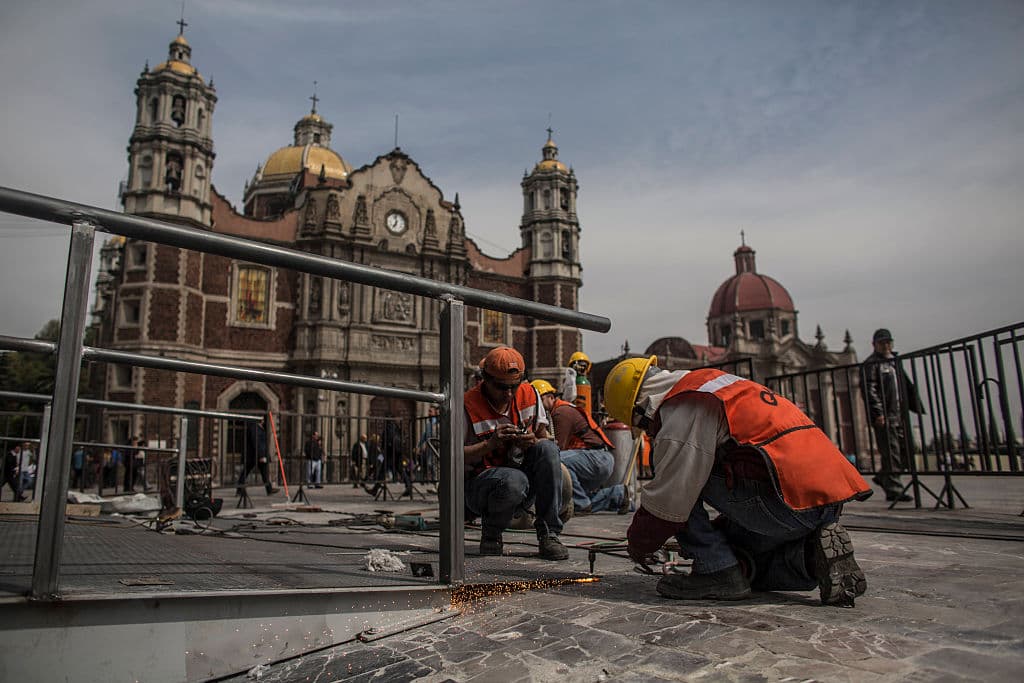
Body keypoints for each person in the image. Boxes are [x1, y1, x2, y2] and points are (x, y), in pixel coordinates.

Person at [603, 356, 871, 605]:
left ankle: (716, 569)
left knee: (680, 474)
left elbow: (669, 501)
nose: (650, 431)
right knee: (742, 560)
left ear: (640, 409)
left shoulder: (684, 406)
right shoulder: (711, 383)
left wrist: (639, 544)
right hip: (823, 499)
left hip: (787, 502)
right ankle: (812, 560)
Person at [464, 346, 568, 561]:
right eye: (501, 387)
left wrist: (532, 441)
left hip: (521, 480)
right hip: (479, 487)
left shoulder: (529, 394)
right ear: (485, 379)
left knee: (547, 449)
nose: (509, 394)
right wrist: (490, 444)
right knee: (514, 480)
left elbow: (543, 436)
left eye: (514, 386)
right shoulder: (467, 404)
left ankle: (549, 534)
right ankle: (491, 533)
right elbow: (452, 457)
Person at [531, 379, 629, 514]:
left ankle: (581, 504)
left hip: (596, 457)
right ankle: (616, 494)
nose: (537, 405)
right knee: (578, 496)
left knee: (555, 461)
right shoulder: (558, 411)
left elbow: (557, 451)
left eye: (539, 400)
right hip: (595, 459)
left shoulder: (561, 412)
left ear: (551, 397)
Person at [862, 328, 924, 502]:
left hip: (900, 413)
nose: (886, 345)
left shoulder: (894, 362)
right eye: (882, 343)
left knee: (909, 449)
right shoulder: (872, 364)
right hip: (885, 414)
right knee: (891, 451)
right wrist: (877, 412)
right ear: (874, 345)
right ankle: (894, 489)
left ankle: (884, 476)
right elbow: (870, 389)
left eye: (888, 342)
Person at [237, 414, 278, 495]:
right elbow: (257, 442)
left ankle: (269, 489)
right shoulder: (255, 428)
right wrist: (261, 455)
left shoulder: (258, 428)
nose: (263, 420)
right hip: (254, 455)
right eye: (262, 418)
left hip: (256, 455)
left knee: (264, 472)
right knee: (246, 471)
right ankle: (239, 488)